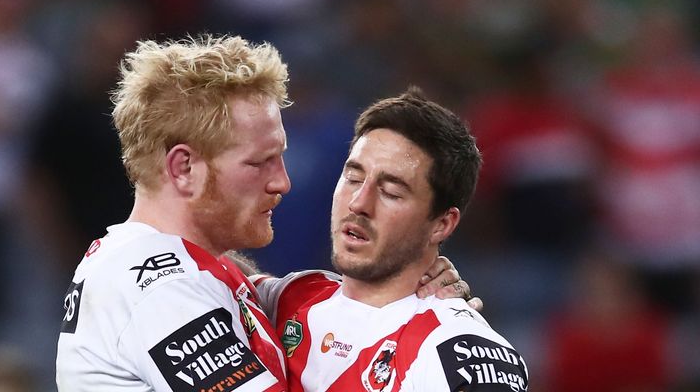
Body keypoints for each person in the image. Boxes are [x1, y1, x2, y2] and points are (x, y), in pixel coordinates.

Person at [55, 35, 476, 391]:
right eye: (260, 163)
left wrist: (415, 296)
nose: (282, 182)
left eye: (281, 157)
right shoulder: (159, 289)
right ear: (184, 168)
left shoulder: (188, 273)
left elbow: (316, 307)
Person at [253, 88, 529, 391]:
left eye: (391, 192)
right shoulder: (287, 299)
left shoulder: (459, 351)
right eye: (354, 178)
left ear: (442, 224)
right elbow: (202, 270)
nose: (359, 202)